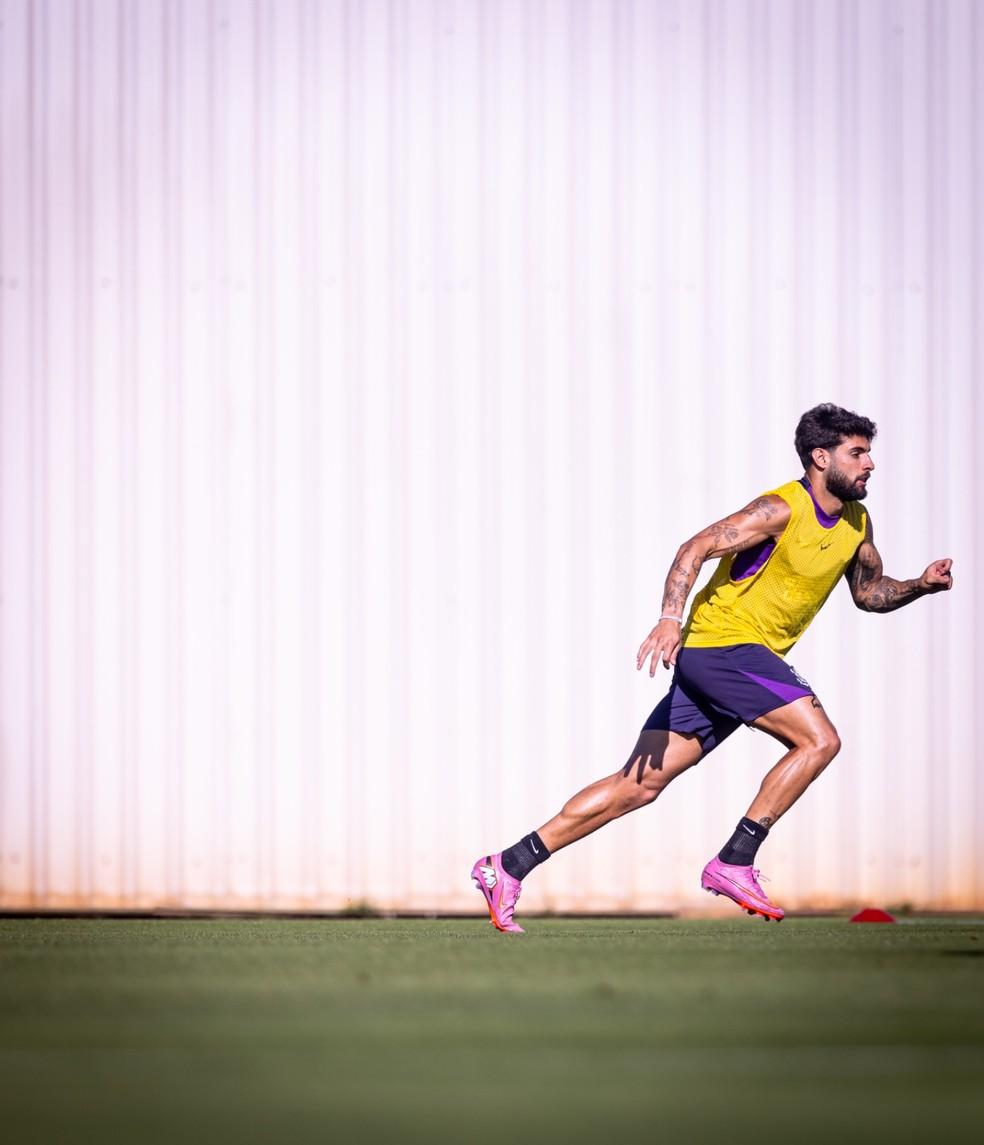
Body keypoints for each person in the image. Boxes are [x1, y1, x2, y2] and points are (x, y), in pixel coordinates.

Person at [471, 404, 953, 932]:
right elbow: (695, 546)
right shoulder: (778, 509)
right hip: (723, 648)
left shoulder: (857, 522)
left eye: (868, 453)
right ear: (821, 457)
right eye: (857, 453)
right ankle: (735, 859)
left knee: (637, 786)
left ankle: (508, 866)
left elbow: (869, 595)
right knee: (820, 741)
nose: (870, 464)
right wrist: (669, 618)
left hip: (731, 663)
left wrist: (919, 586)